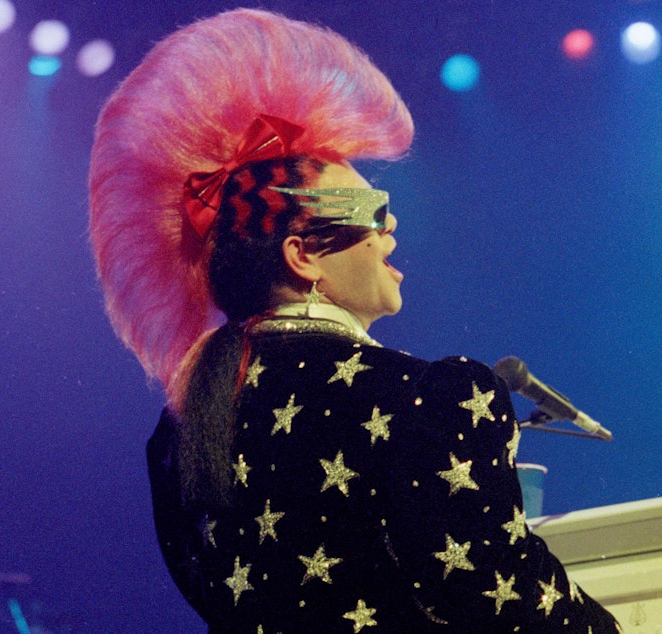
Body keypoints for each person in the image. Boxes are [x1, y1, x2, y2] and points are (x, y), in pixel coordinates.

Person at [89, 8, 621, 633]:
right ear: (304, 254)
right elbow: (505, 602)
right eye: (374, 210)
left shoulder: (179, 429)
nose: (391, 227)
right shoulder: (436, 398)